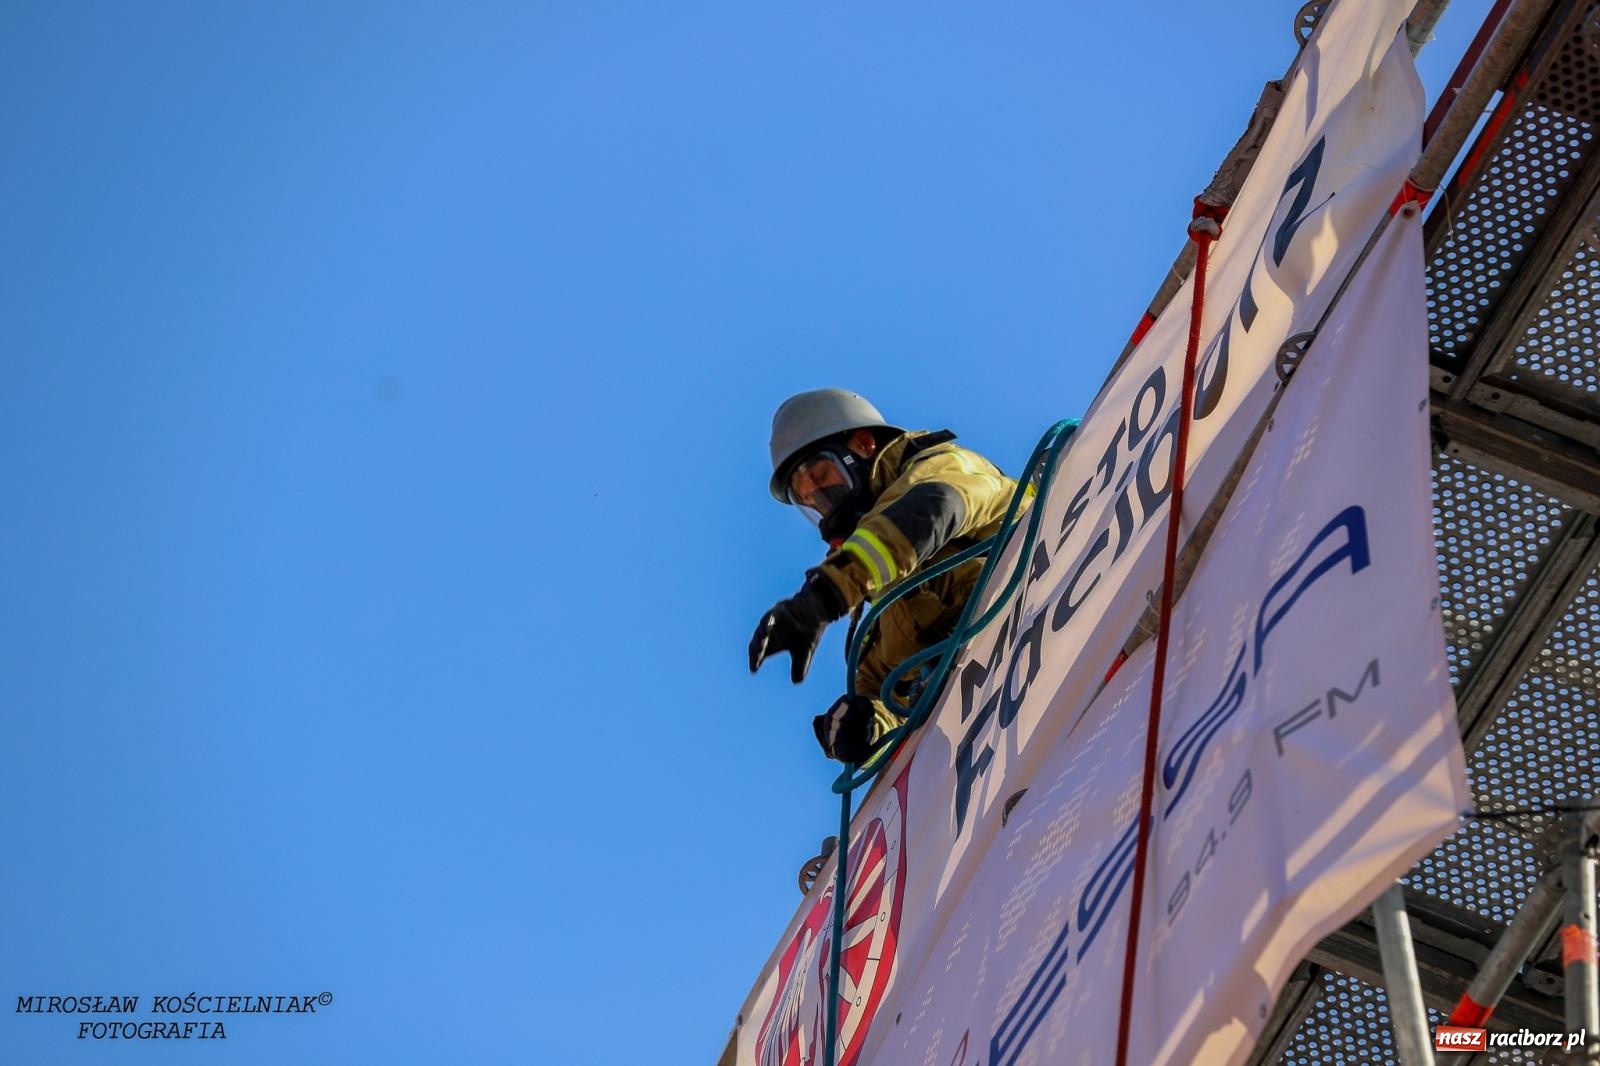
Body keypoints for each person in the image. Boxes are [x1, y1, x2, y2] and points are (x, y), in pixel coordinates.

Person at [748, 388, 1025, 763]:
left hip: (1065, 614)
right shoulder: (880, 613)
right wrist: (862, 727)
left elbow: (931, 511)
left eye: (821, 474)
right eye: (808, 496)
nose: (821, 499)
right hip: (1012, 720)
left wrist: (822, 599)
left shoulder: (945, 467)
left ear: (863, 445)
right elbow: (893, 712)